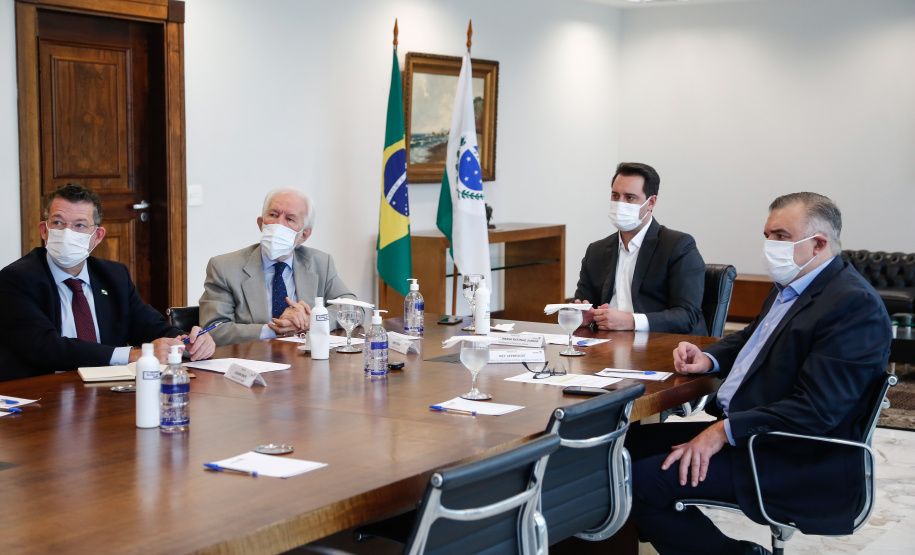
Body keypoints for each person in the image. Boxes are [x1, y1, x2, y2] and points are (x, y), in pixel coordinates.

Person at [626, 192, 892, 555]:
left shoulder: (852, 305)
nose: (770, 245)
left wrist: (721, 431)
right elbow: (755, 335)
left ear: (818, 244)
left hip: (797, 455)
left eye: (781, 236)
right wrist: (708, 359)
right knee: (619, 450)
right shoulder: (796, 285)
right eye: (767, 235)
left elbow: (817, 410)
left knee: (636, 482)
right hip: (760, 436)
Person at [0, 184, 215, 383]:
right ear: (44, 230)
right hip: (41, 393)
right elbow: (46, 346)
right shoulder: (16, 279)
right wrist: (132, 355)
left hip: (108, 388)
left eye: (80, 225)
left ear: (98, 236)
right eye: (58, 223)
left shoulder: (113, 275)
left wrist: (186, 343)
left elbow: (150, 326)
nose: (67, 233)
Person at [199, 188, 354, 346]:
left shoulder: (320, 262)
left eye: (289, 219)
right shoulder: (224, 267)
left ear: (304, 235)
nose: (278, 224)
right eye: (273, 215)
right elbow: (213, 329)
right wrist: (273, 330)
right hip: (253, 361)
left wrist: (313, 319)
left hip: (305, 361)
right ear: (261, 223)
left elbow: (353, 308)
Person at [574, 162, 706, 334]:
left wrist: (631, 321)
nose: (620, 203)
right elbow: (583, 304)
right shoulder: (596, 251)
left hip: (658, 346)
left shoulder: (678, 246)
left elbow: (687, 316)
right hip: (605, 346)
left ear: (651, 202)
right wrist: (581, 315)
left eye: (629, 197)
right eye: (615, 196)